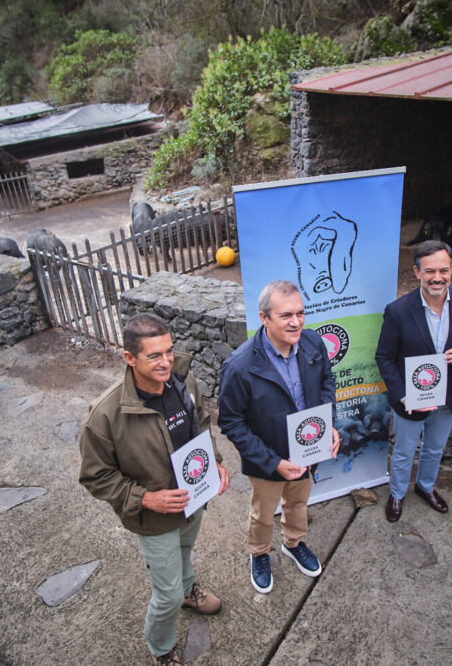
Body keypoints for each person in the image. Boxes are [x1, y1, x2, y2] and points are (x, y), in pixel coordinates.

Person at [79, 313, 230, 665]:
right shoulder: (104, 416)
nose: (167, 363)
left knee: (185, 551)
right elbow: (95, 476)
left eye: (169, 351)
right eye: (154, 356)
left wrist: (216, 461)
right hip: (155, 518)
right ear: (129, 358)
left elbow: (202, 424)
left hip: (195, 499)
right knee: (165, 596)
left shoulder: (184, 380)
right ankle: (161, 650)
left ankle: (189, 589)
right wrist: (146, 498)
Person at [218, 280, 340, 594]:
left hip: (308, 450)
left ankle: (293, 542)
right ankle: (259, 554)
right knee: (262, 513)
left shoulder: (313, 342)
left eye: (300, 313)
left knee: (298, 503)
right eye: (286, 315)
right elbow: (231, 423)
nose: (296, 322)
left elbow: (327, 381)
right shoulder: (240, 366)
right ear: (264, 318)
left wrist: (328, 424)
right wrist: (274, 462)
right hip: (267, 459)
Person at [375, 239, 452, 522]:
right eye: (430, 271)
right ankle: (397, 494)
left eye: (443, 271)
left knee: (435, 449)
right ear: (417, 272)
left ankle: (425, 487)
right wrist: (403, 396)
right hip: (411, 400)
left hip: (448, 395)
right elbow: (384, 358)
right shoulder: (397, 311)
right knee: (404, 452)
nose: (437, 278)